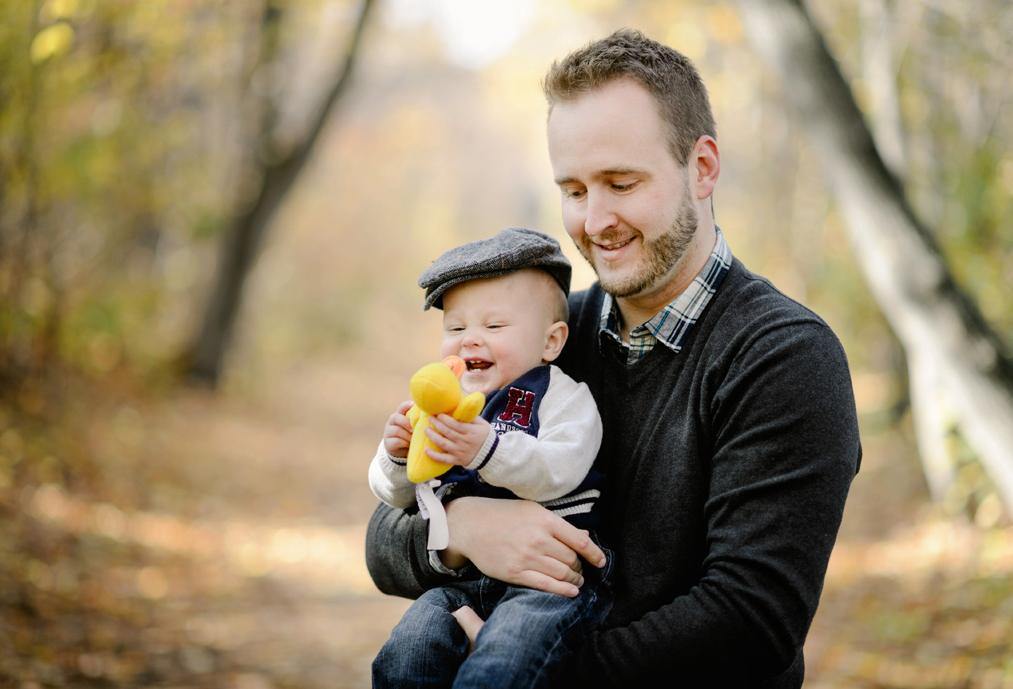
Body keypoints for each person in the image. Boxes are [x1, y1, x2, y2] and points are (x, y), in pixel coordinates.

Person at [365, 29, 861, 688]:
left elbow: (750, 620)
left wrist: (524, 669)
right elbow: (383, 539)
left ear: (703, 168)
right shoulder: (544, 333)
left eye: (620, 183)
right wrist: (464, 527)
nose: (595, 220)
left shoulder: (783, 357)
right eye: (573, 190)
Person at [368, 228, 608, 688]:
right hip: (462, 583)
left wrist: (486, 449)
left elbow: (562, 468)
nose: (469, 341)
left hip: (549, 582)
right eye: (456, 328)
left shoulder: (561, 397)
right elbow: (400, 499)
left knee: (502, 665)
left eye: (493, 327)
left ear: (551, 342)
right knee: (409, 648)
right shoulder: (446, 403)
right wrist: (396, 457)